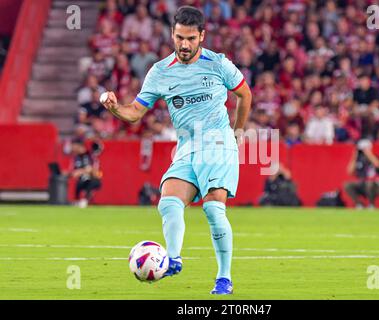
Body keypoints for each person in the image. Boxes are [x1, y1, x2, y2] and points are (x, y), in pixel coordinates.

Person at [100, 6, 252, 295]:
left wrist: (238, 132)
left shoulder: (219, 64)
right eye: (180, 37)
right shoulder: (159, 72)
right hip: (186, 147)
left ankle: (224, 278)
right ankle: (173, 259)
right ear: (172, 34)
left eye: (191, 39)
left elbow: (245, 94)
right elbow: (134, 113)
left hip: (218, 143)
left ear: (202, 36)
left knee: (213, 208)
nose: (184, 45)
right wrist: (114, 107)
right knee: (168, 201)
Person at [344, 139, 379, 209]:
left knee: (369, 183)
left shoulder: (375, 157)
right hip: (363, 184)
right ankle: (359, 204)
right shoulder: (359, 160)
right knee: (347, 185)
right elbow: (349, 171)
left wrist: (368, 153)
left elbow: (378, 165)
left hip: (377, 185)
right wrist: (354, 157)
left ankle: (371, 204)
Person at [69, 139, 102, 208]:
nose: (73, 148)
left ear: (80, 146)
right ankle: (77, 201)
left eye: (75, 146)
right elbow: (73, 171)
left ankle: (85, 200)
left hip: (94, 179)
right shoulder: (76, 157)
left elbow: (93, 170)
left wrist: (82, 171)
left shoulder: (90, 155)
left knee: (91, 181)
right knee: (79, 183)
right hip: (83, 179)